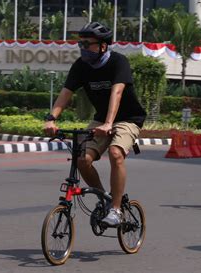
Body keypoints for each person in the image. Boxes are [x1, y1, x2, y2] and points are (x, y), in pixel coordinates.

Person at [44, 22, 146, 226]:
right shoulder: (81, 66)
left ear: (103, 46)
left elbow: (116, 93)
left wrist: (109, 123)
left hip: (128, 119)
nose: (83, 48)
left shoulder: (118, 62)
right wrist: (51, 119)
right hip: (101, 119)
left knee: (116, 153)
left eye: (88, 44)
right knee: (82, 159)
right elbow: (65, 94)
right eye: (81, 44)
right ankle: (105, 198)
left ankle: (116, 210)